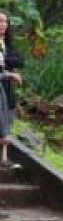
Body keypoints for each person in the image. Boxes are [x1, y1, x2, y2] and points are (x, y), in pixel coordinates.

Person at [0, 10, 24, 169]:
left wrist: (7, 69)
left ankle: (4, 159)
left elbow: (20, 60)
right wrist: (9, 73)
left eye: (5, 22)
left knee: (7, 118)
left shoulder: (6, 45)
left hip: (6, 87)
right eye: (0, 21)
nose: (2, 25)